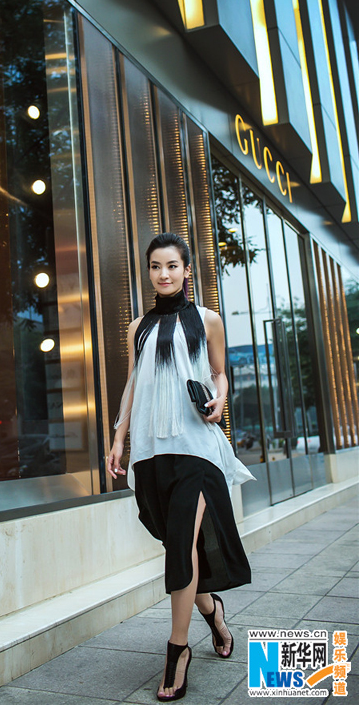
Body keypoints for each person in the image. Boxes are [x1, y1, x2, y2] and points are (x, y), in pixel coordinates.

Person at [107, 232, 254, 701]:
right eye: (155, 267)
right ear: (149, 272)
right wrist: (118, 437)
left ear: (187, 271)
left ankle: (177, 650)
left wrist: (221, 399)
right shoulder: (138, 328)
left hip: (196, 447)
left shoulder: (207, 320)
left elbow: (218, 371)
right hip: (152, 450)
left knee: (181, 547)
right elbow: (133, 382)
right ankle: (212, 611)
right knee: (176, 544)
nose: (164, 274)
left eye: (172, 266)